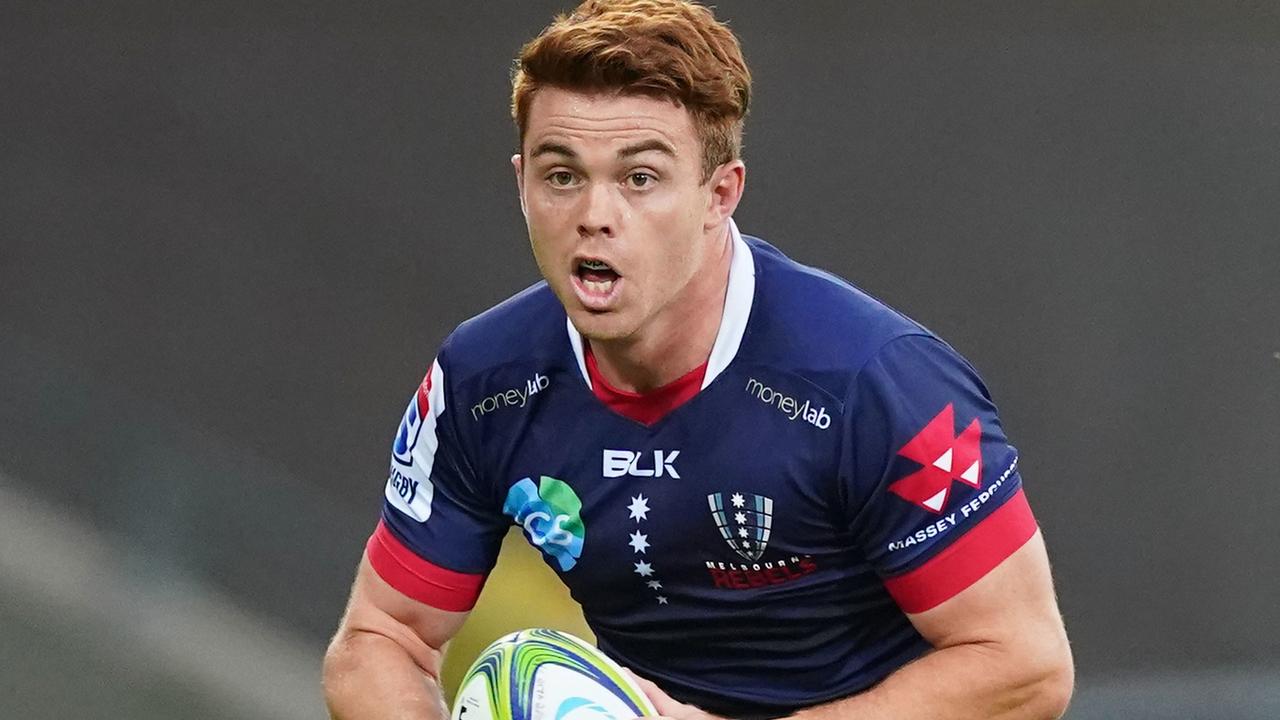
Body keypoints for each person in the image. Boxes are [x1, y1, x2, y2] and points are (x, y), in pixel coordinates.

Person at [322, 1, 1074, 718]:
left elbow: (1023, 666)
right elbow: (380, 638)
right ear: (520, 182)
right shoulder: (483, 382)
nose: (594, 214)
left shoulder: (874, 383)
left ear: (721, 194)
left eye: (639, 178)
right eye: (562, 175)